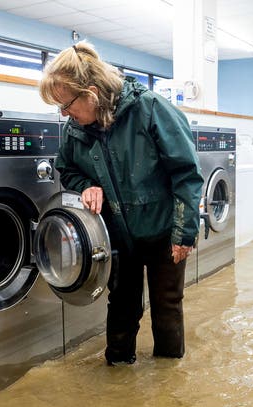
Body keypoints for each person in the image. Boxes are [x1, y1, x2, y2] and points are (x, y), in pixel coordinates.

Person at [39, 41, 203, 364]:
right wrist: (86, 185)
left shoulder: (151, 110)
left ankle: (170, 390)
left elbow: (186, 173)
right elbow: (66, 169)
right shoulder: (76, 130)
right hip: (117, 236)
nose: (64, 114)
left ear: (91, 93)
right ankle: (117, 376)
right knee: (122, 309)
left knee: (166, 307)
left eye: (66, 104)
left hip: (162, 230)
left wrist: (184, 233)